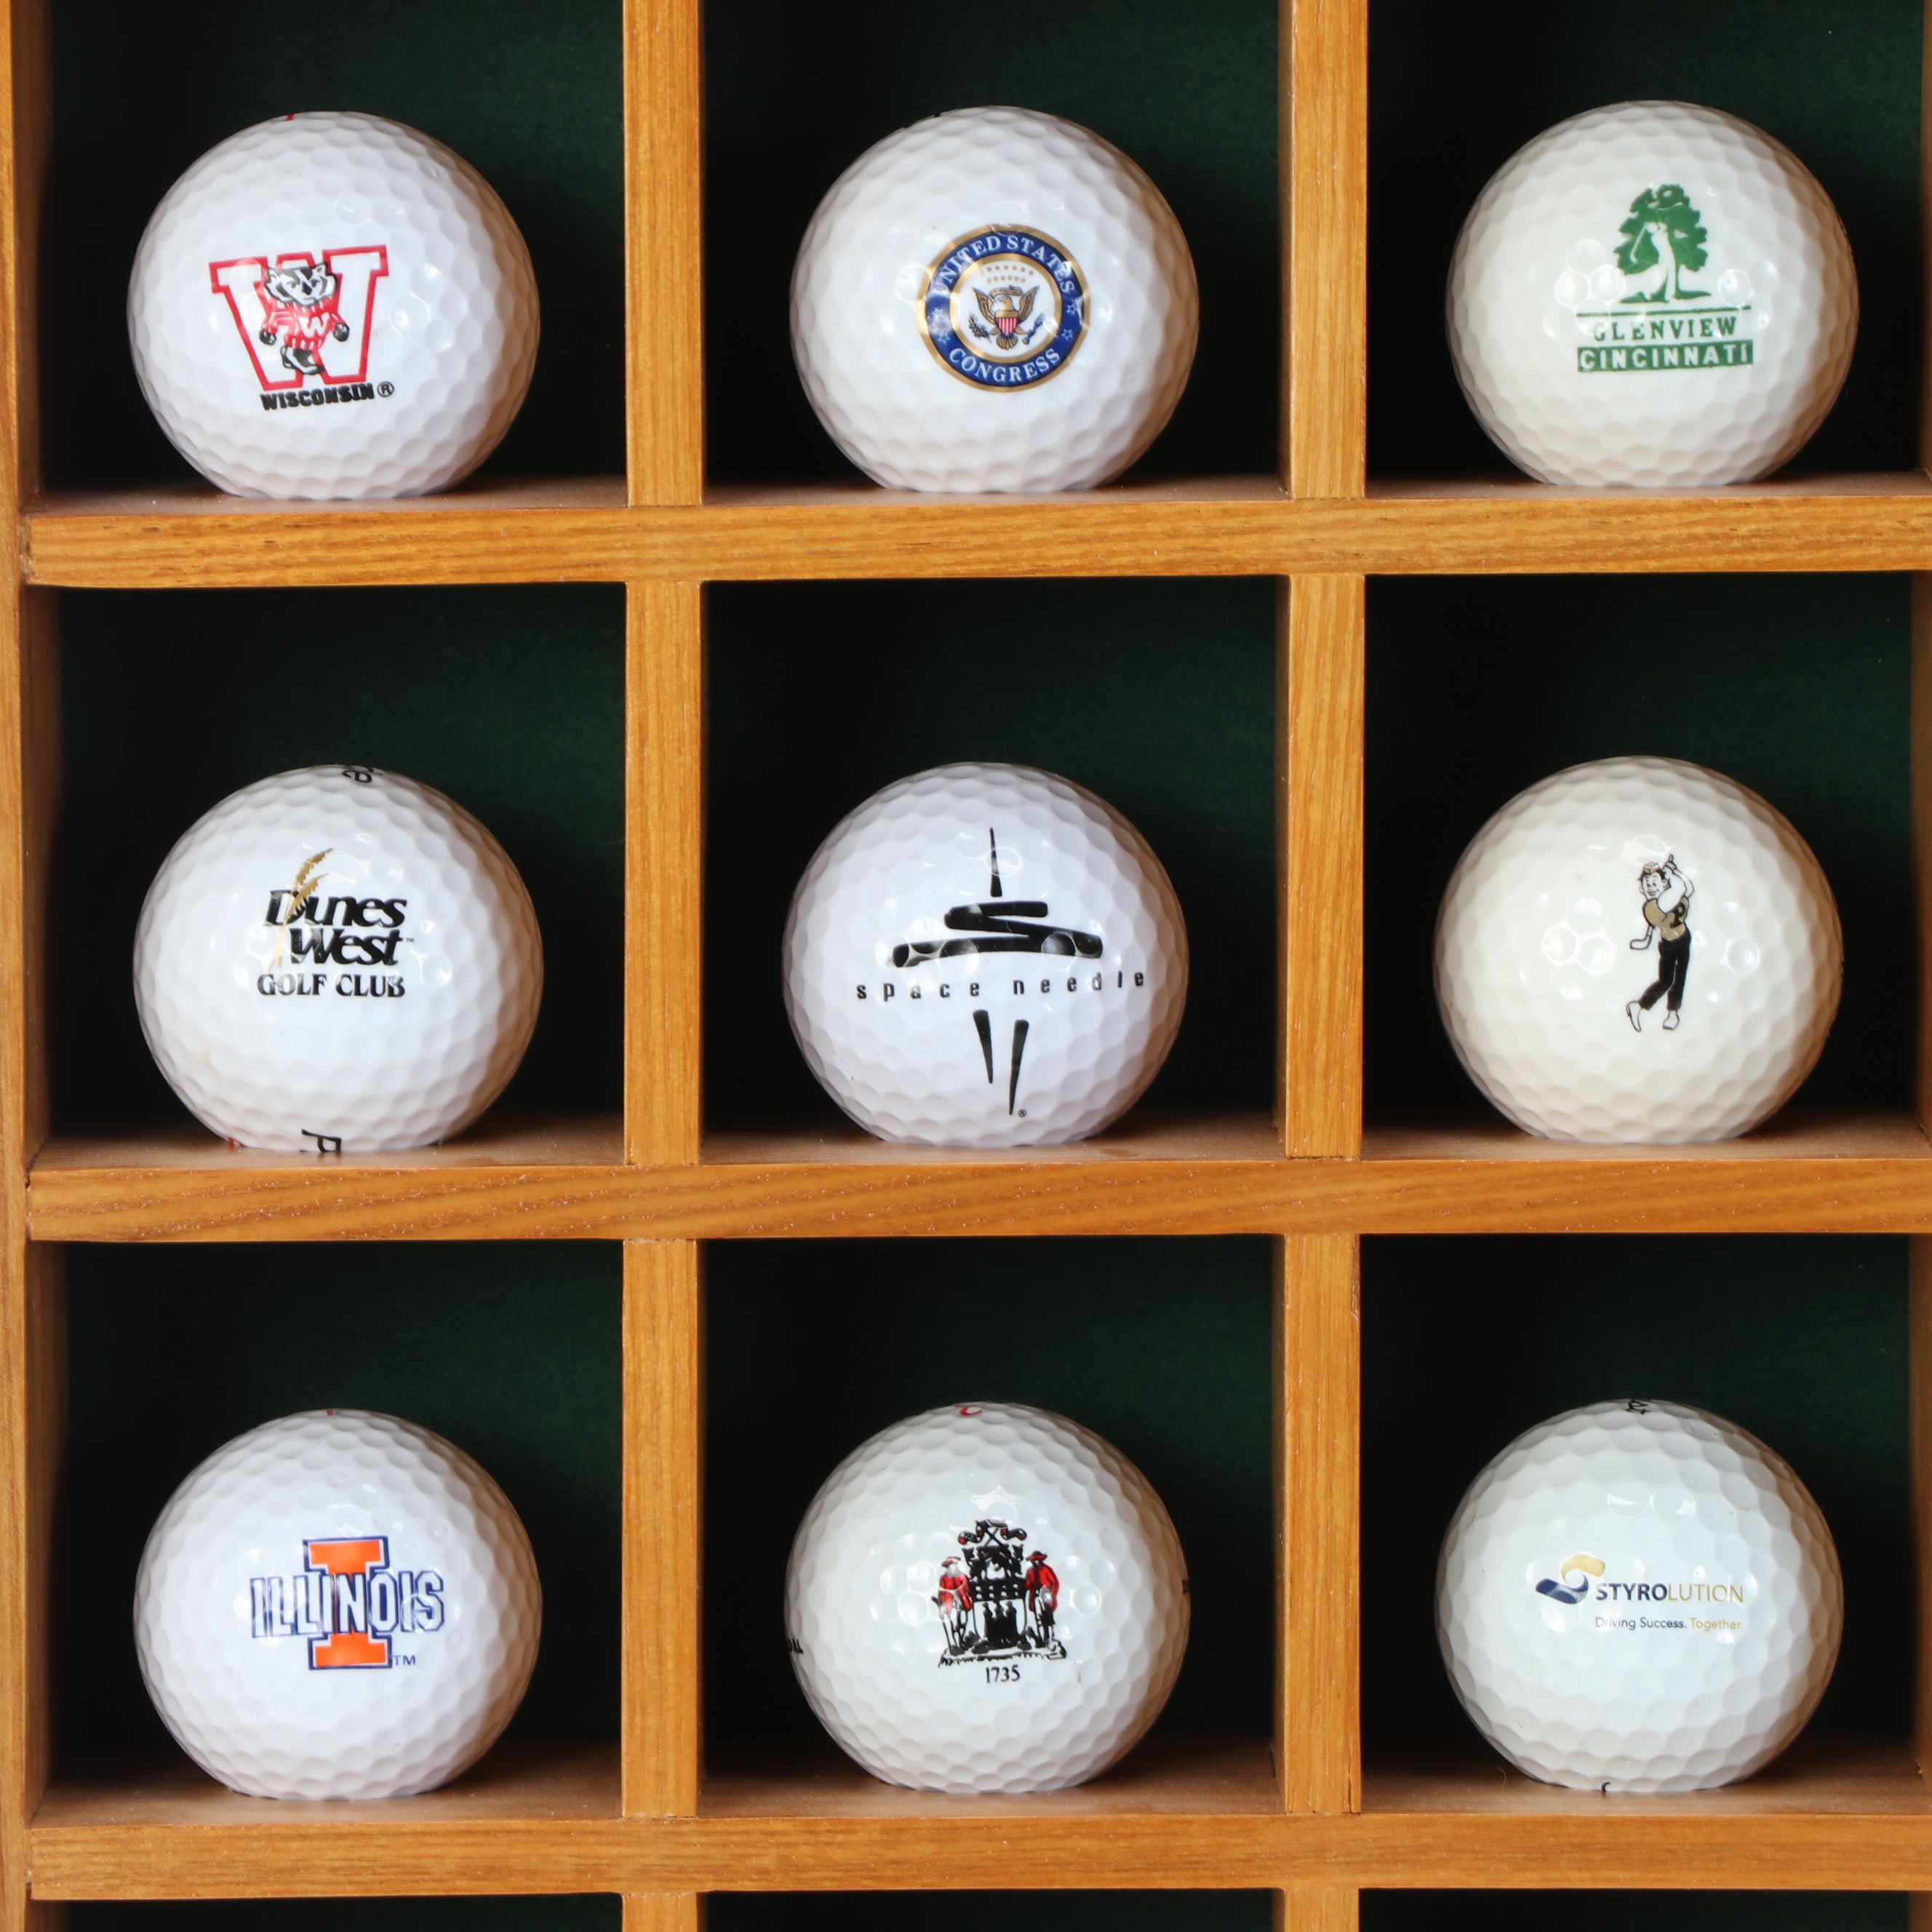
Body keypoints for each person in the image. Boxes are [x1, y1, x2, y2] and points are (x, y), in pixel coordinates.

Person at [1626, 855, 1693, 1033]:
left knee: (1680, 978)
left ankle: (1673, 1013)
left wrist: (1676, 871)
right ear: (1642, 889)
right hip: (1668, 946)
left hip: (1685, 939)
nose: (1651, 887)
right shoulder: (1652, 908)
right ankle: (1639, 1006)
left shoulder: (1672, 895)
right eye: (1648, 885)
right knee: (1666, 981)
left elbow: (1690, 888)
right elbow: (1683, 892)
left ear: (1664, 884)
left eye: (1655, 883)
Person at [1023, 1549, 1060, 1645]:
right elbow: (1027, 1584)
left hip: (1046, 1597)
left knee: (1048, 1619)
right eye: (1034, 1560)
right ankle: (1042, 1639)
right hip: (1035, 1598)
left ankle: (1050, 1639)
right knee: (1039, 1619)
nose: (1036, 1562)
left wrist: (1052, 1595)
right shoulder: (1030, 1571)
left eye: (1038, 1560)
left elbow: (1055, 1583)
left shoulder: (1047, 1569)